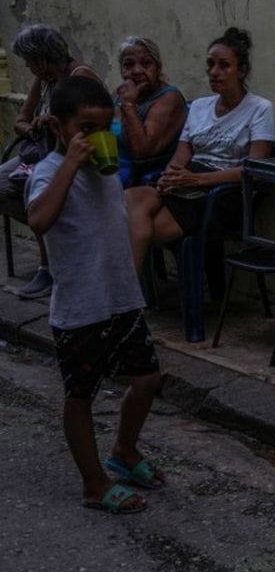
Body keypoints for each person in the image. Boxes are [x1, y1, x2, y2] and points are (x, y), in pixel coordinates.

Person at [26, 75, 164, 514]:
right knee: (80, 395)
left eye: (104, 128)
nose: (97, 138)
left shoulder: (106, 171)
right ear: (59, 127)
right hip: (81, 309)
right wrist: (69, 162)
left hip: (120, 299)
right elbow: (38, 221)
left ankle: (124, 450)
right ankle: (94, 483)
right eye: (86, 129)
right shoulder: (50, 172)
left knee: (147, 379)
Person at [125, 27, 275, 273]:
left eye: (224, 65)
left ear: (241, 70)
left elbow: (253, 169)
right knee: (130, 199)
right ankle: (129, 291)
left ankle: (128, 292)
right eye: (210, 65)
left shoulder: (259, 109)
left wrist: (197, 180)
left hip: (223, 192)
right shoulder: (199, 107)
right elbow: (180, 156)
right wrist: (169, 177)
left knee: (143, 231)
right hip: (188, 183)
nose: (214, 72)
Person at [2, 24, 102, 299]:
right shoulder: (44, 80)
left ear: (43, 57)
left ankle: (49, 265)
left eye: (29, 60)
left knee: (35, 187)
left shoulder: (80, 77)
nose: (27, 66)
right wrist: (33, 127)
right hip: (42, 150)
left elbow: (91, 126)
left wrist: (56, 125)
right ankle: (57, 238)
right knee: (3, 182)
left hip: (75, 154)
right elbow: (21, 121)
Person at [111, 36, 187, 187]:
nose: (137, 71)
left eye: (146, 64)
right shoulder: (120, 95)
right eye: (128, 65)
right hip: (110, 173)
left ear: (158, 68)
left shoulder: (169, 98)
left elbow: (142, 152)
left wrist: (129, 105)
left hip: (144, 180)